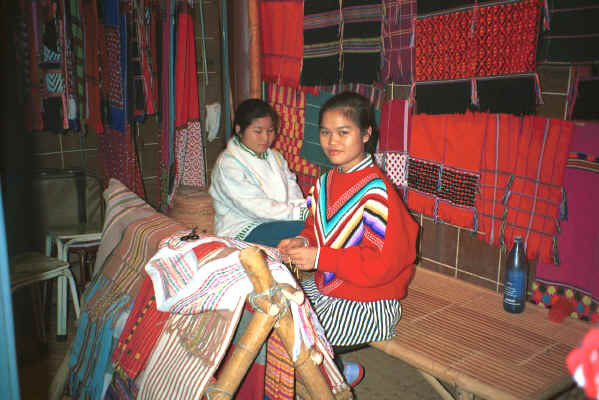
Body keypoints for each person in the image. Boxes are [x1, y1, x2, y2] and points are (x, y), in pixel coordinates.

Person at [278, 92, 419, 387]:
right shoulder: (325, 182)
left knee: (294, 334)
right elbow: (314, 230)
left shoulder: (377, 192)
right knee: (273, 311)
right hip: (328, 290)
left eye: (344, 132)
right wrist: (302, 243)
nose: (332, 141)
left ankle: (331, 375)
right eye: (326, 132)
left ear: (366, 134)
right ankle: (337, 369)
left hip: (370, 303)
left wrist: (320, 258)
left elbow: (380, 264)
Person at [209, 99, 308, 247]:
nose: (265, 138)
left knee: (316, 228)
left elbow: (293, 191)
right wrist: (300, 214)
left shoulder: (275, 157)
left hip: (277, 220)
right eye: (258, 131)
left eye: (270, 131)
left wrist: (304, 210)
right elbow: (256, 207)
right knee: (309, 232)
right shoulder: (229, 165)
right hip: (244, 230)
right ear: (239, 130)